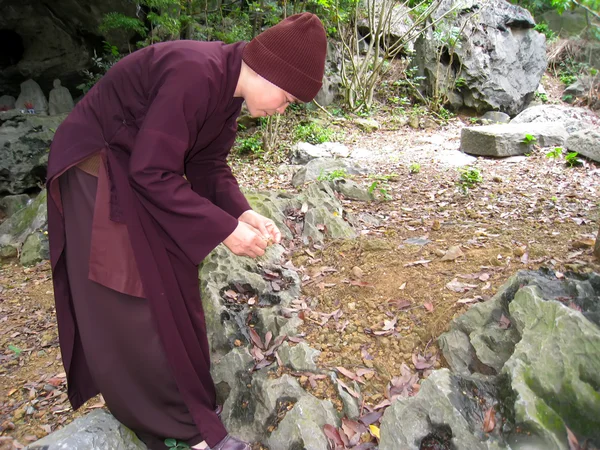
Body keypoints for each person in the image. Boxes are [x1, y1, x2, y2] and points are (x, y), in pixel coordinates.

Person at [46, 13, 327, 450]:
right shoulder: (195, 73)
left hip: (135, 167)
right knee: (132, 289)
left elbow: (207, 165)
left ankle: (193, 410)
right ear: (269, 72)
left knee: (173, 277)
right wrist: (224, 230)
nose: (281, 109)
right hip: (95, 165)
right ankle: (179, 427)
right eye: (287, 98)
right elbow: (152, 170)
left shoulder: (226, 92)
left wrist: (243, 213)